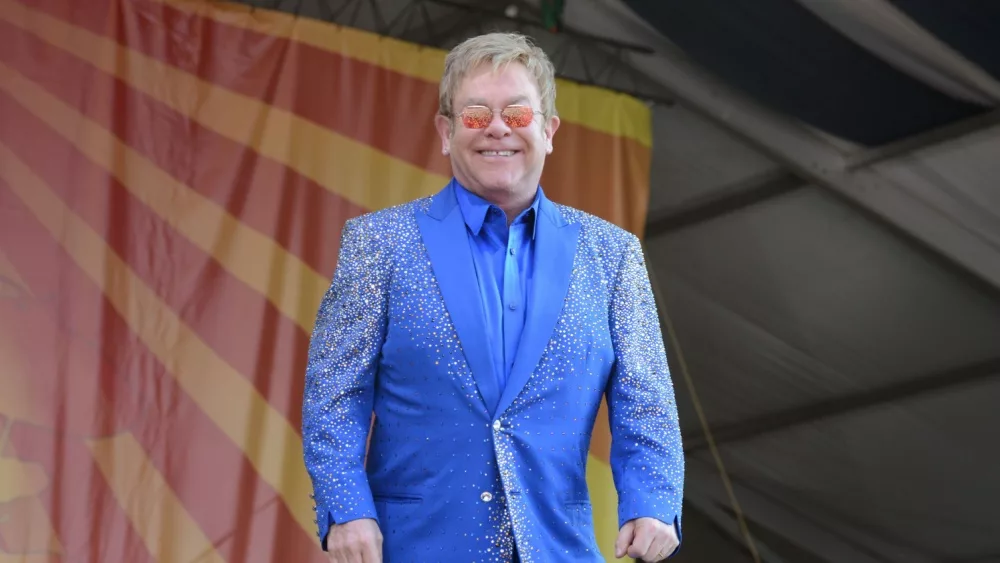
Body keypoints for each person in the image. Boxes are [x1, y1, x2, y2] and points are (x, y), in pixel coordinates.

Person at [301, 31, 684, 563]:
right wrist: (347, 508)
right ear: (445, 131)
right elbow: (334, 395)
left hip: (558, 549)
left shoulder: (612, 255)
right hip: (411, 548)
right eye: (477, 114)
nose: (498, 128)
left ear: (549, 131)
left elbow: (646, 402)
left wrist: (653, 503)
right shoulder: (379, 245)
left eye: (518, 114)